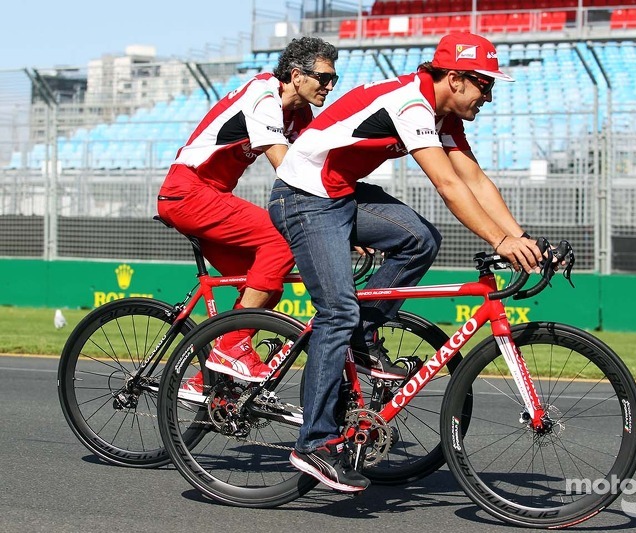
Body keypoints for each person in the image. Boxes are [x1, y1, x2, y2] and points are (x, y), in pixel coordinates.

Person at [268, 32, 547, 492]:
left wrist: (521, 239)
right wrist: (499, 239)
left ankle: (361, 336)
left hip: (341, 194)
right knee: (337, 311)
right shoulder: (411, 105)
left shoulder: (442, 115)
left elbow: (473, 178)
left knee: (420, 239)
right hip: (303, 198)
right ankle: (314, 443)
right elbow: (448, 185)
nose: (489, 98)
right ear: (455, 79)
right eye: (485, 86)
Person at [156, 37, 337, 397]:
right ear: (297, 75)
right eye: (324, 77)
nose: (330, 86)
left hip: (209, 195)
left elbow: (315, 164)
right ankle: (229, 348)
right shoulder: (263, 94)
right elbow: (288, 169)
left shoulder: (299, 113)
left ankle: (207, 376)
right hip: (188, 190)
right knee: (281, 242)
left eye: (335, 78)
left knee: (266, 283)